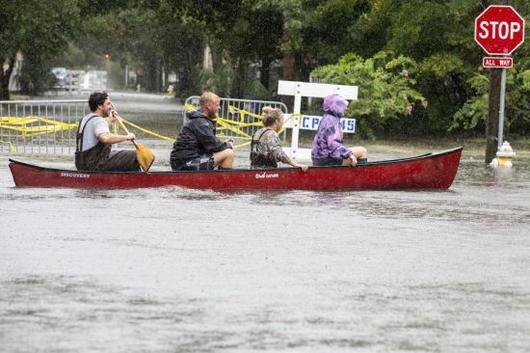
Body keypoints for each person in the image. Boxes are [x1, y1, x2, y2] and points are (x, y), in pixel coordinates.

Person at [75, 91, 140, 172]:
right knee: (136, 155)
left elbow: (99, 127)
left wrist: (110, 119)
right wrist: (127, 137)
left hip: (81, 164)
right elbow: (104, 138)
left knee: (116, 153)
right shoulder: (99, 121)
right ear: (99, 106)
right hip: (95, 165)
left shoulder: (86, 119)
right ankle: (136, 180)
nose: (111, 107)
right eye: (108, 104)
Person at [170, 91, 234, 170]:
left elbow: (212, 144)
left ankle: (216, 180)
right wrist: (228, 145)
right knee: (228, 153)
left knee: (223, 151)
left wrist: (224, 144)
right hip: (187, 163)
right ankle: (223, 181)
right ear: (208, 106)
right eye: (217, 105)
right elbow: (214, 145)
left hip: (184, 161)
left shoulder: (201, 120)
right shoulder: (201, 122)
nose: (219, 108)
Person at [311, 94, 367, 167]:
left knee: (352, 151)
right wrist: (349, 154)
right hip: (327, 160)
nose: (346, 108)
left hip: (318, 158)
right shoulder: (332, 121)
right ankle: (362, 176)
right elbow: (333, 143)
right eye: (342, 106)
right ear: (335, 107)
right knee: (362, 151)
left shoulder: (327, 118)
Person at [250, 107, 308, 171]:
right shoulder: (271, 134)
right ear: (277, 121)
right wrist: (295, 164)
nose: (282, 124)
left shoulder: (258, 132)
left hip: (253, 170)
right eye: (282, 121)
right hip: (266, 172)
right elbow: (279, 154)